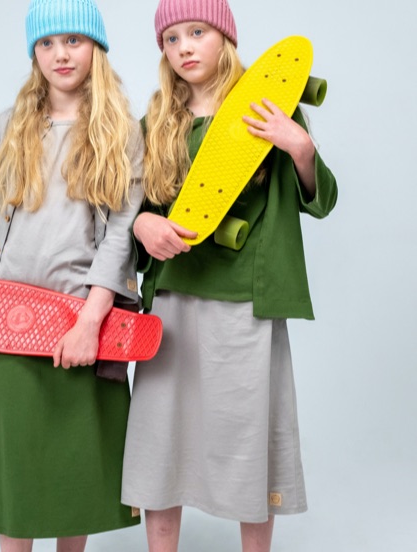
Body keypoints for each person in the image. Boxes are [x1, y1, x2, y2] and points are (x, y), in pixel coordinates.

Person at [121, 0, 338, 551]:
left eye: (197, 31)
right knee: (161, 442)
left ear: (226, 38)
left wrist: (301, 147)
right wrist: (144, 223)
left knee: (247, 439)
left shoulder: (266, 107)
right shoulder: (155, 124)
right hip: (172, 299)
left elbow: (321, 201)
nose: (185, 47)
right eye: (171, 39)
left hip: (246, 301)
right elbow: (125, 210)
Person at [0, 0, 144, 550]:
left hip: (80, 320)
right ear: (34, 53)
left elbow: (121, 236)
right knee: (17, 475)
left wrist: (89, 323)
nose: (61, 54)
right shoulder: (6, 127)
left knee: (73, 475)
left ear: (96, 48)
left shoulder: (122, 132)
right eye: (47, 43)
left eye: (74, 40)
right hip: (9, 322)